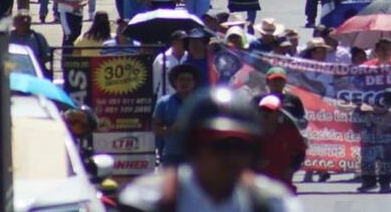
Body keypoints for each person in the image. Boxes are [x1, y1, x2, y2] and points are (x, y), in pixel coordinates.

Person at [120, 86, 300, 211]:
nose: (231, 155)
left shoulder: (272, 203)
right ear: (192, 146)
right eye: (219, 145)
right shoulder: (148, 200)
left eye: (241, 146)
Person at [358, 38, 391, 193]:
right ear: (375, 50)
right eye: (381, 48)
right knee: (368, 150)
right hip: (370, 116)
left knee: (388, 151)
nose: (384, 52)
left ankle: (385, 182)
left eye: (388, 49)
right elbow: (356, 88)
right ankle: (368, 181)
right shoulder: (365, 68)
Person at [256, 95, 307, 191]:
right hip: (259, 186)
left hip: (283, 186)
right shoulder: (253, 133)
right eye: (262, 111)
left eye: (269, 111)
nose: (265, 114)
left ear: (278, 114)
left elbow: (300, 153)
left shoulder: (288, 132)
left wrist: (292, 168)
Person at [9, 11, 51, 76]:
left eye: (27, 22)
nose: (24, 24)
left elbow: (47, 56)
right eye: (21, 22)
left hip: (34, 73)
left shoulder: (38, 38)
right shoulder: (8, 38)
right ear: (14, 24)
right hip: (12, 72)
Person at [153, 30, 189, 98]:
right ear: (174, 43)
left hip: (185, 100)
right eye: (182, 42)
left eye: (185, 42)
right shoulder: (161, 58)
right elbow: (154, 81)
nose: (184, 44)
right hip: (166, 99)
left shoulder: (190, 57)